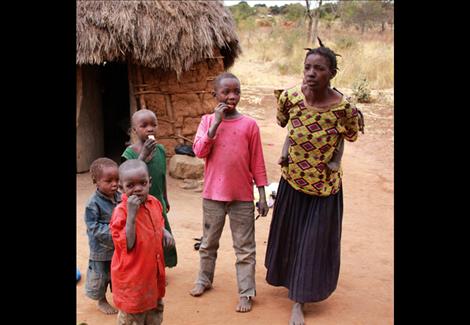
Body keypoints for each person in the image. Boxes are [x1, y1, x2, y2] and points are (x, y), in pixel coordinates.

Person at [265, 39, 362, 325]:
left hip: (324, 188)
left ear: (332, 73)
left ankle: (300, 300)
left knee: (311, 243)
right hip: (292, 182)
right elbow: (283, 122)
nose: (310, 73)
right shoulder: (291, 97)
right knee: (291, 238)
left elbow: (351, 134)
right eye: (307, 67)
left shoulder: (343, 109)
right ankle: (291, 284)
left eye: (319, 68)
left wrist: (355, 115)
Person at [189, 72, 269, 313]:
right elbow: (199, 151)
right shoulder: (206, 122)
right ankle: (204, 279)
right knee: (208, 243)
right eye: (226, 92)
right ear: (215, 94)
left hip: (242, 198)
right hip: (213, 195)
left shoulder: (250, 125)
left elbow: (257, 162)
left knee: (245, 248)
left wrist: (262, 195)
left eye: (236, 91)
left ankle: (246, 292)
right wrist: (215, 124)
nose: (232, 96)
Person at [110, 159, 175, 325]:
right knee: (134, 317)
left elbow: (157, 223)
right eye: (130, 185)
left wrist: (164, 232)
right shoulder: (121, 213)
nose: (137, 189)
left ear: (149, 182)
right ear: (121, 188)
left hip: (152, 277)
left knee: (154, 313)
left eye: (142, 183)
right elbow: (128, 244)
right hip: (133, 282)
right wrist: (132, 215)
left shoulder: (154, 203)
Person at [121, 109, 177, 268]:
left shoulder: (160, 150)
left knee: (162, 234)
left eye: (154, 124)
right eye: (144, 125)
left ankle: (161, 266)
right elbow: (130, 174)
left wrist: (165, 197)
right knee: (145, 235)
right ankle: (147, 268)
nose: (150, 129)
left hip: (157, 201)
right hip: (138, 203)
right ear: (134, 130)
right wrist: (143, 156)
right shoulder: (129, 153)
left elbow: (161, 175)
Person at [84, 157, 121, 314]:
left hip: (118, 248)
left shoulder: (120, 197)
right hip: (101, 249)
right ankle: (101, 300)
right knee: (101, 276)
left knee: (117, 274)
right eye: (109, 181)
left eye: (117, 179)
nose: (114, 184)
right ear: (96, 181)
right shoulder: (93, 204)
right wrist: (116, 232)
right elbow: (93, 227)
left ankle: (120, 299)